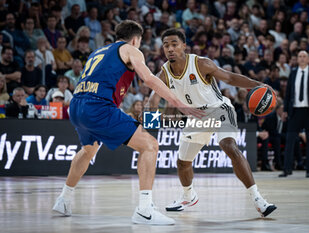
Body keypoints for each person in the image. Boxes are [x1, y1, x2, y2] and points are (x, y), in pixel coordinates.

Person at [52, 20, 203, 225]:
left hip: (77, 106)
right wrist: (179, 103)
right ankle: (144, 209)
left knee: (88, 150)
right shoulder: (131, 50)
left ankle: (64, 199)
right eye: (139, 41)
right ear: (135, 39)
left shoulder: (99, 51)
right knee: (150, 145)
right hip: (98, 107)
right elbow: (148, 79)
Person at [148, 28, 276, 217]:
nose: (170, 49)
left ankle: (258, 198)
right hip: (196, 117)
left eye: (174, 44)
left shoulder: (201, 64)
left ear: (184, 46)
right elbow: (153, 100)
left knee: (229, 146)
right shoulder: (164, 74)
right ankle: (188, 195)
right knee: (183, 162)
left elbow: (230, 78)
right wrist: (150, 126)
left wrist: (257, 85)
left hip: (219, 109)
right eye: (166, 45)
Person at [280, 50, 309, 178]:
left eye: (304, 56)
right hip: (295, 110)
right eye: (299, 56)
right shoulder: (293, 73)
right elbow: (288, 94)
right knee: (290, 140)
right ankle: (287, 169)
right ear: (297, 59)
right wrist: (285, 110)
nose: (301, 58)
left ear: (308, 60)